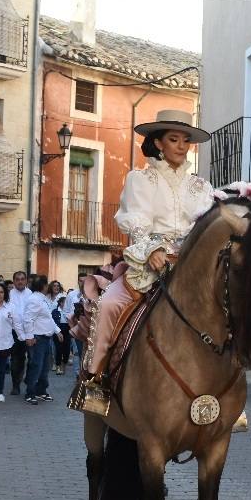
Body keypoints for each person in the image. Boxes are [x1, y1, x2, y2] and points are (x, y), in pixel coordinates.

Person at [82, 109, 213, 394]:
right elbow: (135, 221)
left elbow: (206, 226)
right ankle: (96, 381)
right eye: (173, 139)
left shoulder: (202, 186)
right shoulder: (140, 180)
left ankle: (227, 391)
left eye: (185, 140)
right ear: (158, 143)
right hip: (149, 264)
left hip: (193, 266)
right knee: (108, 305)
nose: (181, 146)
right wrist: (152, 249)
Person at [22, 275, 64, 404]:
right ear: (43, 286)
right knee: (36, 366)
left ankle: (41, 391)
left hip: (46, 338)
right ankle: (30, 393)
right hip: (37, 339)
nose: (48, 287)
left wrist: (57, 331)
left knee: (45, 367)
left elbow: (48, 318)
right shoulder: (34, 299)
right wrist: (29, 336)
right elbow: (28, 319)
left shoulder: (43, 299)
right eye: (47, 285)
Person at [8, 270, 32, 395]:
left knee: (32, 359)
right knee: (16, 359)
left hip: (30, 332)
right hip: (14, 333)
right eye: (17, 279)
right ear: (14, 281)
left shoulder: (31, 294)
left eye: (22, 279)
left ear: (26, 280)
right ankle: (15, 385)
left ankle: (28, 380)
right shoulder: (9, 295)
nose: (20, 281)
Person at [49, 280, 73, 375]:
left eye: (57, 286)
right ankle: (56, 364)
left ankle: (63, 364)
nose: (56, 287)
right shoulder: (48, 297)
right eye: (54, 286)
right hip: (54, 326)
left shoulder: (63, 296)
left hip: (66, 328)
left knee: (66, 349)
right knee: (55, 348)